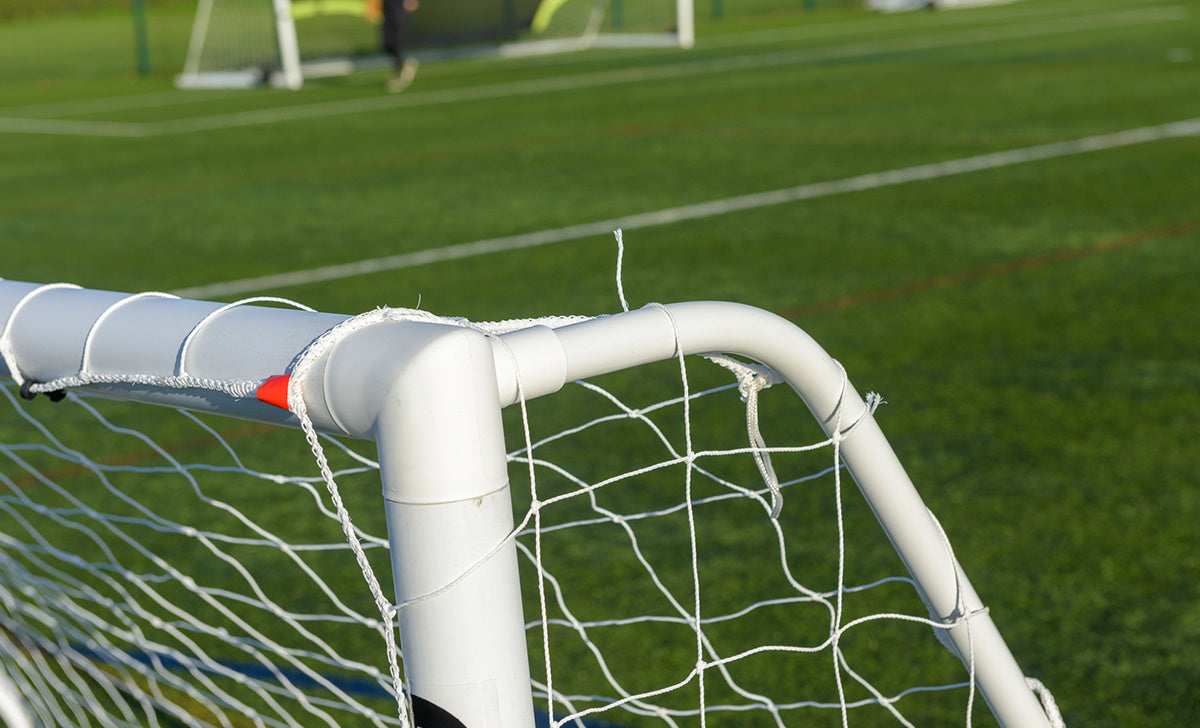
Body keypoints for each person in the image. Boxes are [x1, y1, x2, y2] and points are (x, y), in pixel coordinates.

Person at [382, 0, 419, 92]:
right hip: (387, 8)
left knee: (395, 42)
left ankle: (401, 72)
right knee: (387, 44)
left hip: (398, 7)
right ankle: (404, 66)